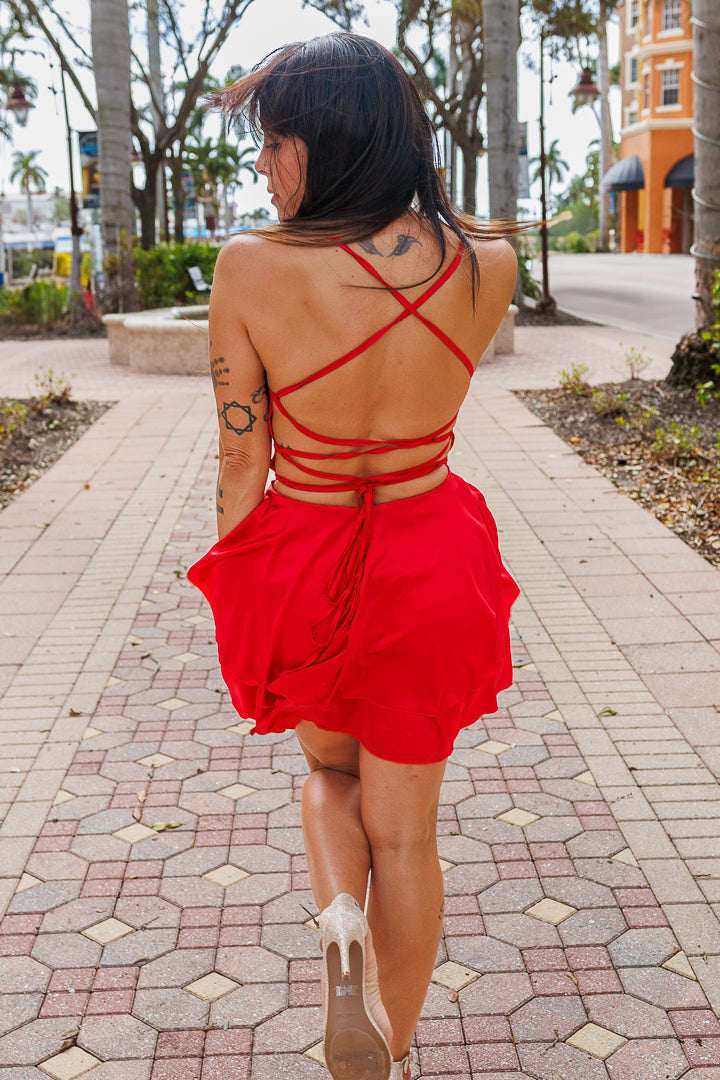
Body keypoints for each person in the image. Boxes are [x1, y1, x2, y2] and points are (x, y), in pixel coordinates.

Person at [188, 32, 521, 1080]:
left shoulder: (251, 267)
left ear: (320, 143)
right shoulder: (487, 259)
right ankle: (398, 1045)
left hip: (310, 548)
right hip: (432, 553)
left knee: (328, 776)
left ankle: (338, 920)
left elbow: (243, 466)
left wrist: (239, 588)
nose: (261, 167)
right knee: (409, 837)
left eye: (271, 143)